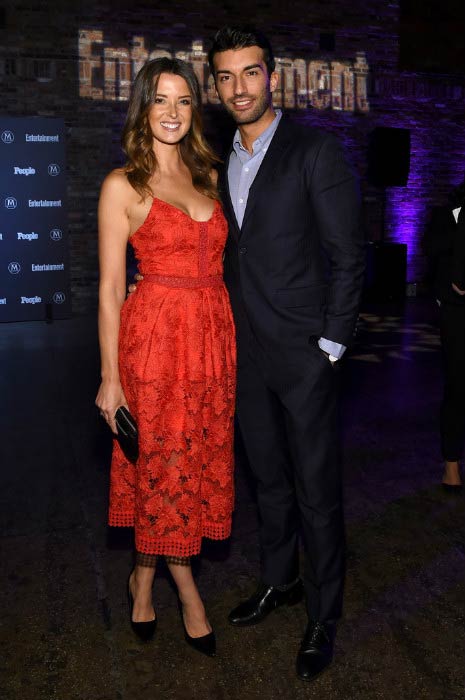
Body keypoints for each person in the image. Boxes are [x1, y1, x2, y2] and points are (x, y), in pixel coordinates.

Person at [208, 26, 365, 681]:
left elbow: (347, 256)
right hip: (245, 351)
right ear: (215, 85)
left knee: (314, 491)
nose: (238, 87)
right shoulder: (226, 158)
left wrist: (329, 346)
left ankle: (323, 613)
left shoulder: (313, 152)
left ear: (272, 76)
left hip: (303, 354)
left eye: (250, 73)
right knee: (267, 480)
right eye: (225, 76)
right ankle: (280, 581)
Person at [95, 57, 236, 657]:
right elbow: (108, 287)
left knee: (192, 467)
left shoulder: (211, 177)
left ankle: (143, 576)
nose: (173, 112)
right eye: (160, 100)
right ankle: (188, 590)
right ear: (142, 108)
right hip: (154, 348)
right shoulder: (122, 184)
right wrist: (110, 380)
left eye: (183, 100)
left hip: (212, 347)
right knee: (160, 467)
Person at [424, 180, 465, 491]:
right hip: (456, 311)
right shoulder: (445, 216)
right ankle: (451, 465)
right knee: (457, 386)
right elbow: (432, 250)